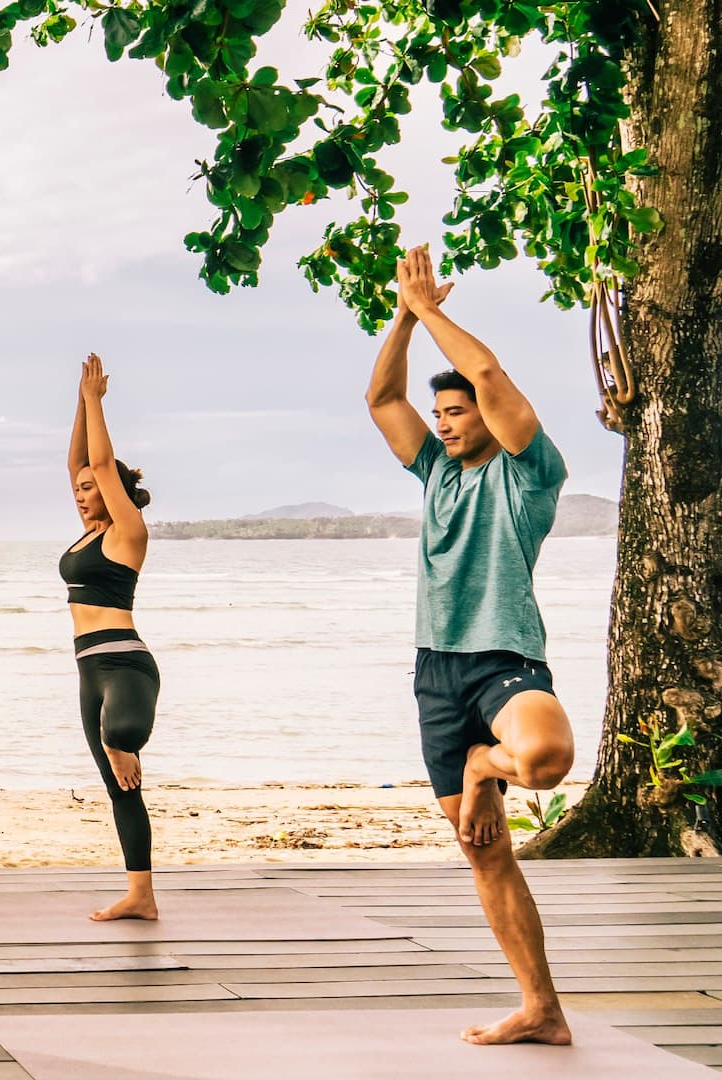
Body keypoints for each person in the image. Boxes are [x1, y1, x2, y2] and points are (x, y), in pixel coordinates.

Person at [366, 245, 574, 1046]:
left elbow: (487, 377)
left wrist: (430, 310)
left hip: (503, 661)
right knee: (485, 854)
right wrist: (400, 314)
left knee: (546, 761)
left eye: (457, 414)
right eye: (443, 415)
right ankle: (541, 1009)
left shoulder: (529, 473)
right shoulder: (438, 474)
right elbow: (382, 395)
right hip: (436, 673)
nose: (447, 423)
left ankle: (488, 764)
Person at [63, 353, 161, 922]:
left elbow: (98, 461)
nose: (81, 492)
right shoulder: (86, 534)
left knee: (120, 737)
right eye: (76, 489)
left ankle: (123, 741)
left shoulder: (127, 532)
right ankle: (141, 894)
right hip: (87, 669)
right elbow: (80, 458)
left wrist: (99, 403)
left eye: (91, 488)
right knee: (119, 786)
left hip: (125, 663)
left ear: (113, 492)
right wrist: (80, 398)